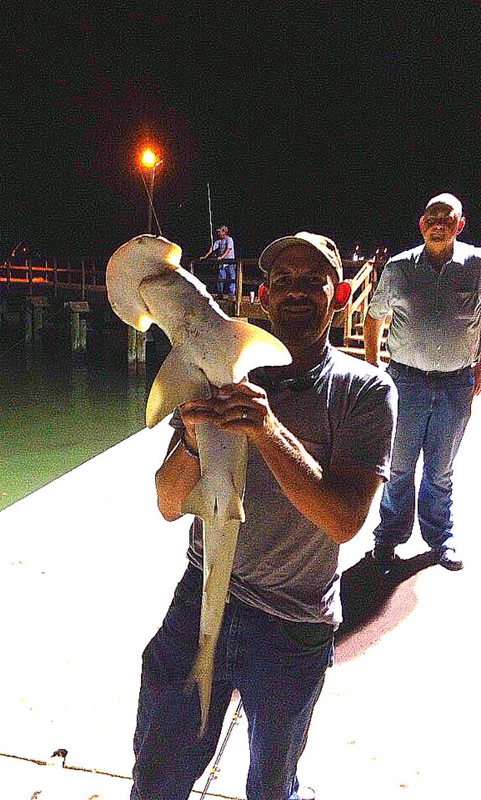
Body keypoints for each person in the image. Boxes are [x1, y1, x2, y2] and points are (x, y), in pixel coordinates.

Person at [131, 231, 397, 800]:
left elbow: (344, 521)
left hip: (293, 623)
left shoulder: (367, 391)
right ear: (261, 295)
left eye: (312, 282)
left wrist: (268, 429)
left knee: (272, 787)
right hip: (202, 596)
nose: (296, 291)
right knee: (155, 776)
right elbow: (169, 503)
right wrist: (193, 441)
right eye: (283, 281)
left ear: (339, 295)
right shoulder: (216, 371)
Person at [364, 193, 481, 572]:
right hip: (405, 382)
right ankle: (388, 537)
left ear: (460, 224)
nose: (438, 224)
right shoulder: (399, 268)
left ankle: (441, 537)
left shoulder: (476, 266)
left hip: (456, 384)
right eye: (432, 217)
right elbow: (374, 318)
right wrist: (373, 367)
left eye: (447, 218)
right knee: (397, 467)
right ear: (421, 224)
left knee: (440, 469)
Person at [200, 225, 236, 297]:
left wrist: (222, 256)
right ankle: (220, 294)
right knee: (220, 278)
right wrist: (205, 256)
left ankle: (231, 294)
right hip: (222, 262)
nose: (218, 233)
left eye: (219, 232)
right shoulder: (218, 241)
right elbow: (212, 249)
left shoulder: (229, 239)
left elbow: (228, 249)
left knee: (231, 278)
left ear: (224, 232)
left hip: (230, 262)